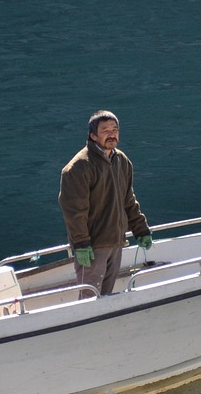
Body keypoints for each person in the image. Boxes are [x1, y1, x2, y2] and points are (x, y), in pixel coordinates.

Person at [58, 110, 153, 296]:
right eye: (105, 130)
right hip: (93, 247)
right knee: (89, 298)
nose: (111, 134)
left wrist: (141, 230)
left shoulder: (122, 161)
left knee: (107, 295)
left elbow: (128, 200)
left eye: (115, 129)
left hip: (116, 242)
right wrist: (81, 244)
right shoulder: (79, 167)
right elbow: (75, 212)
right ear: (93, 135)